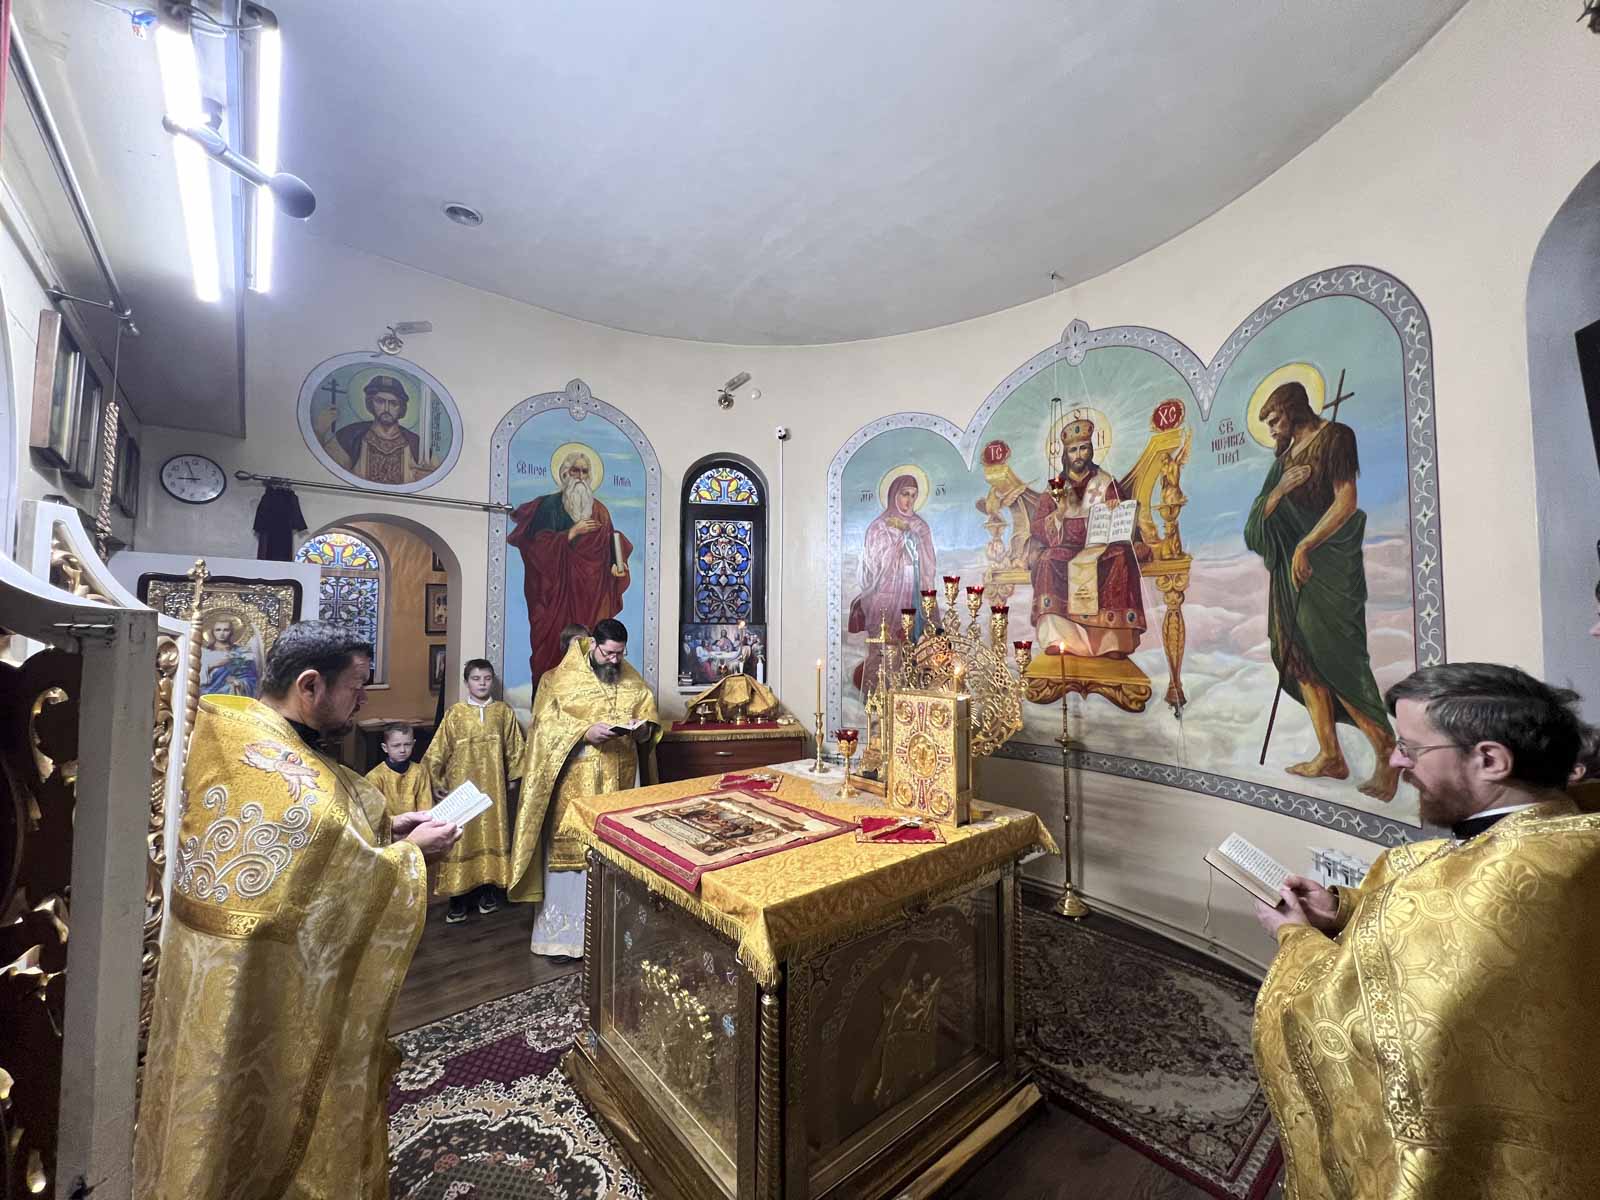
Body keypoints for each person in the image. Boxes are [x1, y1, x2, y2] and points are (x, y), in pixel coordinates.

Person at [134, 622, 460, 1200]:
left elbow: (321, 846)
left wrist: (388, 828)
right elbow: (330, 873)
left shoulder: (229, 726)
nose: (363, 701)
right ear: (309, 686)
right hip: (268, 998)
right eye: (356, 687)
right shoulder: (300, 793)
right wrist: (412, 855)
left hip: (202, 983)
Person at [1252, 662, 1600, 1198]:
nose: (1395, 762)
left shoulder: (1505, 885)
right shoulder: (1567, 838)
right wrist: (1342, 910)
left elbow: (1370, 1032)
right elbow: (1434, 934)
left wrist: (1295, 938)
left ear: (1490, 760)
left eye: (1410, 749)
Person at [1244, 380, 1398, 801]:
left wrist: (1306, 544)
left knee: (1336, 658)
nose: (1272, 429)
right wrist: (1279, 491)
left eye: (1275, 419)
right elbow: (1256, 523)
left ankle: (1387, 751)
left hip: (1326, 566)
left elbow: (1346, 501)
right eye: (1268, 423)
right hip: (1290, 576)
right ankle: (1330, 754)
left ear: (1294, 409)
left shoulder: (1336, 437)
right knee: (1302, 660)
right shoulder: (1283, 463)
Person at [509, 618, 659, 956]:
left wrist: (642, 729)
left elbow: (648, 715)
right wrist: (584, 733)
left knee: (618, 857)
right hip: (575, 783)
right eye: (609, 654)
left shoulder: (630, 676)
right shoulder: (557, 679)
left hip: (621, 782)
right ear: (593, 645)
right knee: (573, 859)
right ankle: (566, 941)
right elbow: (542, 730)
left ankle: (617, 938)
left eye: (620, 654)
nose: (615, 660)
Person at [506, 448, 631, 684]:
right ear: (564, 473)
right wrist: (571, 533)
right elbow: (536, 549)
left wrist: (617, 569)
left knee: (592, 657)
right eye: (576, 471)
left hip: (592, 599)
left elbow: (611, 550)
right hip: (554, 598)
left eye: (585, 471)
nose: (581, 476)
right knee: (551, 654)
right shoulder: (549, 506)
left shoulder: (600, 511)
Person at [1026, 417, 1146, 659]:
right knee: (1047, 560)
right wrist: (1058, 513)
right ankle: (1057, 637)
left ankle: (1112, 641)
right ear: (1065, 454)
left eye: (1083, 448)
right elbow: (1037, 526)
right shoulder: (1055, 488)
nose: (1078, 455)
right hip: (1065, 547)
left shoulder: (1106, 482)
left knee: (1120, 558)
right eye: (1073, 450)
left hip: (1099, 547)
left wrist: (1114, 508)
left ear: (1091, 450)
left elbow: (1126, 519)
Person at [423, 658, 526, 924]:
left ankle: (487, 893)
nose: (482, 684)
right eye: (476, 679)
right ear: (466, 682)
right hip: (461, 790)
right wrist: (437, 781)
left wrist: (514, 776)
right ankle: (458, 899)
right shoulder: (455, 713)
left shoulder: (502, 712)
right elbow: (437, 751)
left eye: (487, 678)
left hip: (494, 790)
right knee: (461, 839)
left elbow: (515, 747)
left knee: (491, 836)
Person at [848, 472, 938, 695]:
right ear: (893, 495)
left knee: (913, 643)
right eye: (905, 494)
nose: (909, 500)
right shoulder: (879, 527)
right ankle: (878, 696)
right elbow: (873, 563)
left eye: (913, 495)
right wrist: (898, 539)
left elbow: (929, 563)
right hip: (887, 594)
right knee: (885, 645)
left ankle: (910, 693)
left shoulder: (920, 526)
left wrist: (914, 536)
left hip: (913, 592)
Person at [314, 373, 439, 486]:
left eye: (393, 403)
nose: (386, 408)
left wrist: (427, 479)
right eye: (380, 401)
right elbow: (323, 470)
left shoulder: (415, 443)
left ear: (401, 408)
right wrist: (319, 432)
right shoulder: (350, 436)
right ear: (370, 403)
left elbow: (437, 476)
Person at [365, 721, 435, 819]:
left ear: (413, 744)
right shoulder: (375, 777)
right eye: (396, 745)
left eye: (407, 744)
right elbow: (373, 813)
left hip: (417, 824)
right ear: (385, 748)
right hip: (388, 826)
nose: (402, 750)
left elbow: (425, 807)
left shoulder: (420, 771)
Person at [198, 612, 263, 697]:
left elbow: (252, 679)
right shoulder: (203, 652)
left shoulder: (242, 653)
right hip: (206, 697)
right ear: (212, 632)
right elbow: (195, 678)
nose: (222, 633)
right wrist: (212, 666)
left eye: (226, 630)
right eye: (218, 630)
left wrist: (239, 683)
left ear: (232, 632)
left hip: (233, 696)